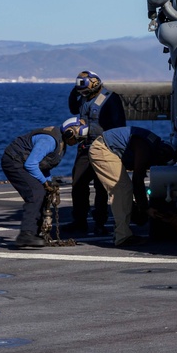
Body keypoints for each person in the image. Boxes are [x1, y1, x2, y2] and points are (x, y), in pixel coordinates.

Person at [1, 116, 87, 248]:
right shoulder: (49, 141)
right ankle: (26, 234)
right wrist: (44, 182)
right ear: (69, 132)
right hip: (14, 161)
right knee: (35, 193)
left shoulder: (61, 144)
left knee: (43, 192)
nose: (77, 142)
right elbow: (31, 164)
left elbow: (44, 165)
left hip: (23, 162)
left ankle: (37, 232)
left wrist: (48, 182)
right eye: (77, 138)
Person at [87, 126, 177, 247]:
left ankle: (123, 224)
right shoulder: (144, 148)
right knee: (122, 189)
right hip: (102, 148)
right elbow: (137, 180)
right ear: (160, 154)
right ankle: (122, 237)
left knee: (124, 189)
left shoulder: (152, 144)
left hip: (109, 147)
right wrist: (145, 208)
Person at [66, 70, 127, 235]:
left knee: (101, 187)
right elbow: (74, 108)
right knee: (78, 185)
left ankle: (100, 223)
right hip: (84, 148)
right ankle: (79, 221)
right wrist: (75, 91)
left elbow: (118, 124)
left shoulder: (110, 98)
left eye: (85, 90)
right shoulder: (84, 96)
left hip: (103, 147)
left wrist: (91, 130)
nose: (83, 94)